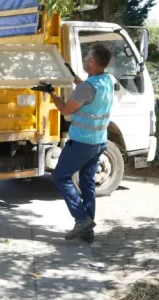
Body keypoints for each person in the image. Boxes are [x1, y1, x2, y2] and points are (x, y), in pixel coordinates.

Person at [32, 44, 114, 242]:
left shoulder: (87, 87)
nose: (85, 59)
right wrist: (73, 76)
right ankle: (88, 232)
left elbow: (66, 110)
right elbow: (86, 90)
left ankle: (81, 218)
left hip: (81, 143)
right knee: (87, 184)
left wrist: (51, 92)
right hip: (99, 141)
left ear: (93, 62)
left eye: (87, 57)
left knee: (61, 177)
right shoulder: (106, 80)